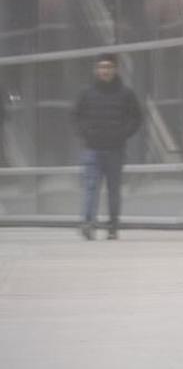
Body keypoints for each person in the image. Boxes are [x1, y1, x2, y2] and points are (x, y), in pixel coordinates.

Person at [72, 53, 143, 240]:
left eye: (109, 67)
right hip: (92, 149)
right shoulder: (86, 93)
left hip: (115, 149)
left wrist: (123, 133)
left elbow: (136, 118)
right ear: (96, 70)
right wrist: (85, 133)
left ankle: (113, 225)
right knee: (91, 187)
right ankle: (88, 223)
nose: (105, 71)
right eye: (102, 67)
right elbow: (76, 116)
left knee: (113, 189)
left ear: (115, 69)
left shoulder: (126, 94)